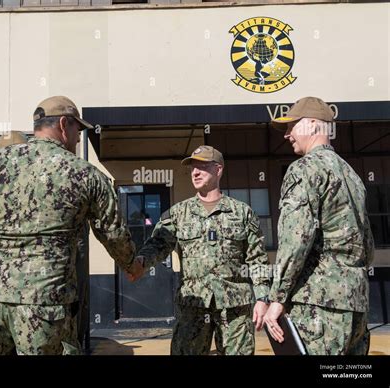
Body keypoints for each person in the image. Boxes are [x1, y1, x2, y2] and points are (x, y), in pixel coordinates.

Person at [0, 96, 143, 355]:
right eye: (77, 130)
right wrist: (132, 265)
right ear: (63, 124)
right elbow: (113, 233)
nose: (79, 138)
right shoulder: (86, 174)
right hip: (46, 304)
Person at [131, 145, 270, 355]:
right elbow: (158, 244)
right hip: (193, 305)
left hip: (235, 308)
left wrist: (262, 298)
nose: (195, 172)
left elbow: (257, 259)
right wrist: (141, 262)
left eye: (202, 167)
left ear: (218, 169)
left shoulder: (242, 213)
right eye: (193, 168)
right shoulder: (179, 213)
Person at [264, 96, 374, 355]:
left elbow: (295, 241)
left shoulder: (303, 169)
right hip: (356, 303)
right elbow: (367, 244)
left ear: (313, 125)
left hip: (319, 305)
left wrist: (277, 298)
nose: (287, 135)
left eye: (292, 126)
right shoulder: (351, 174)